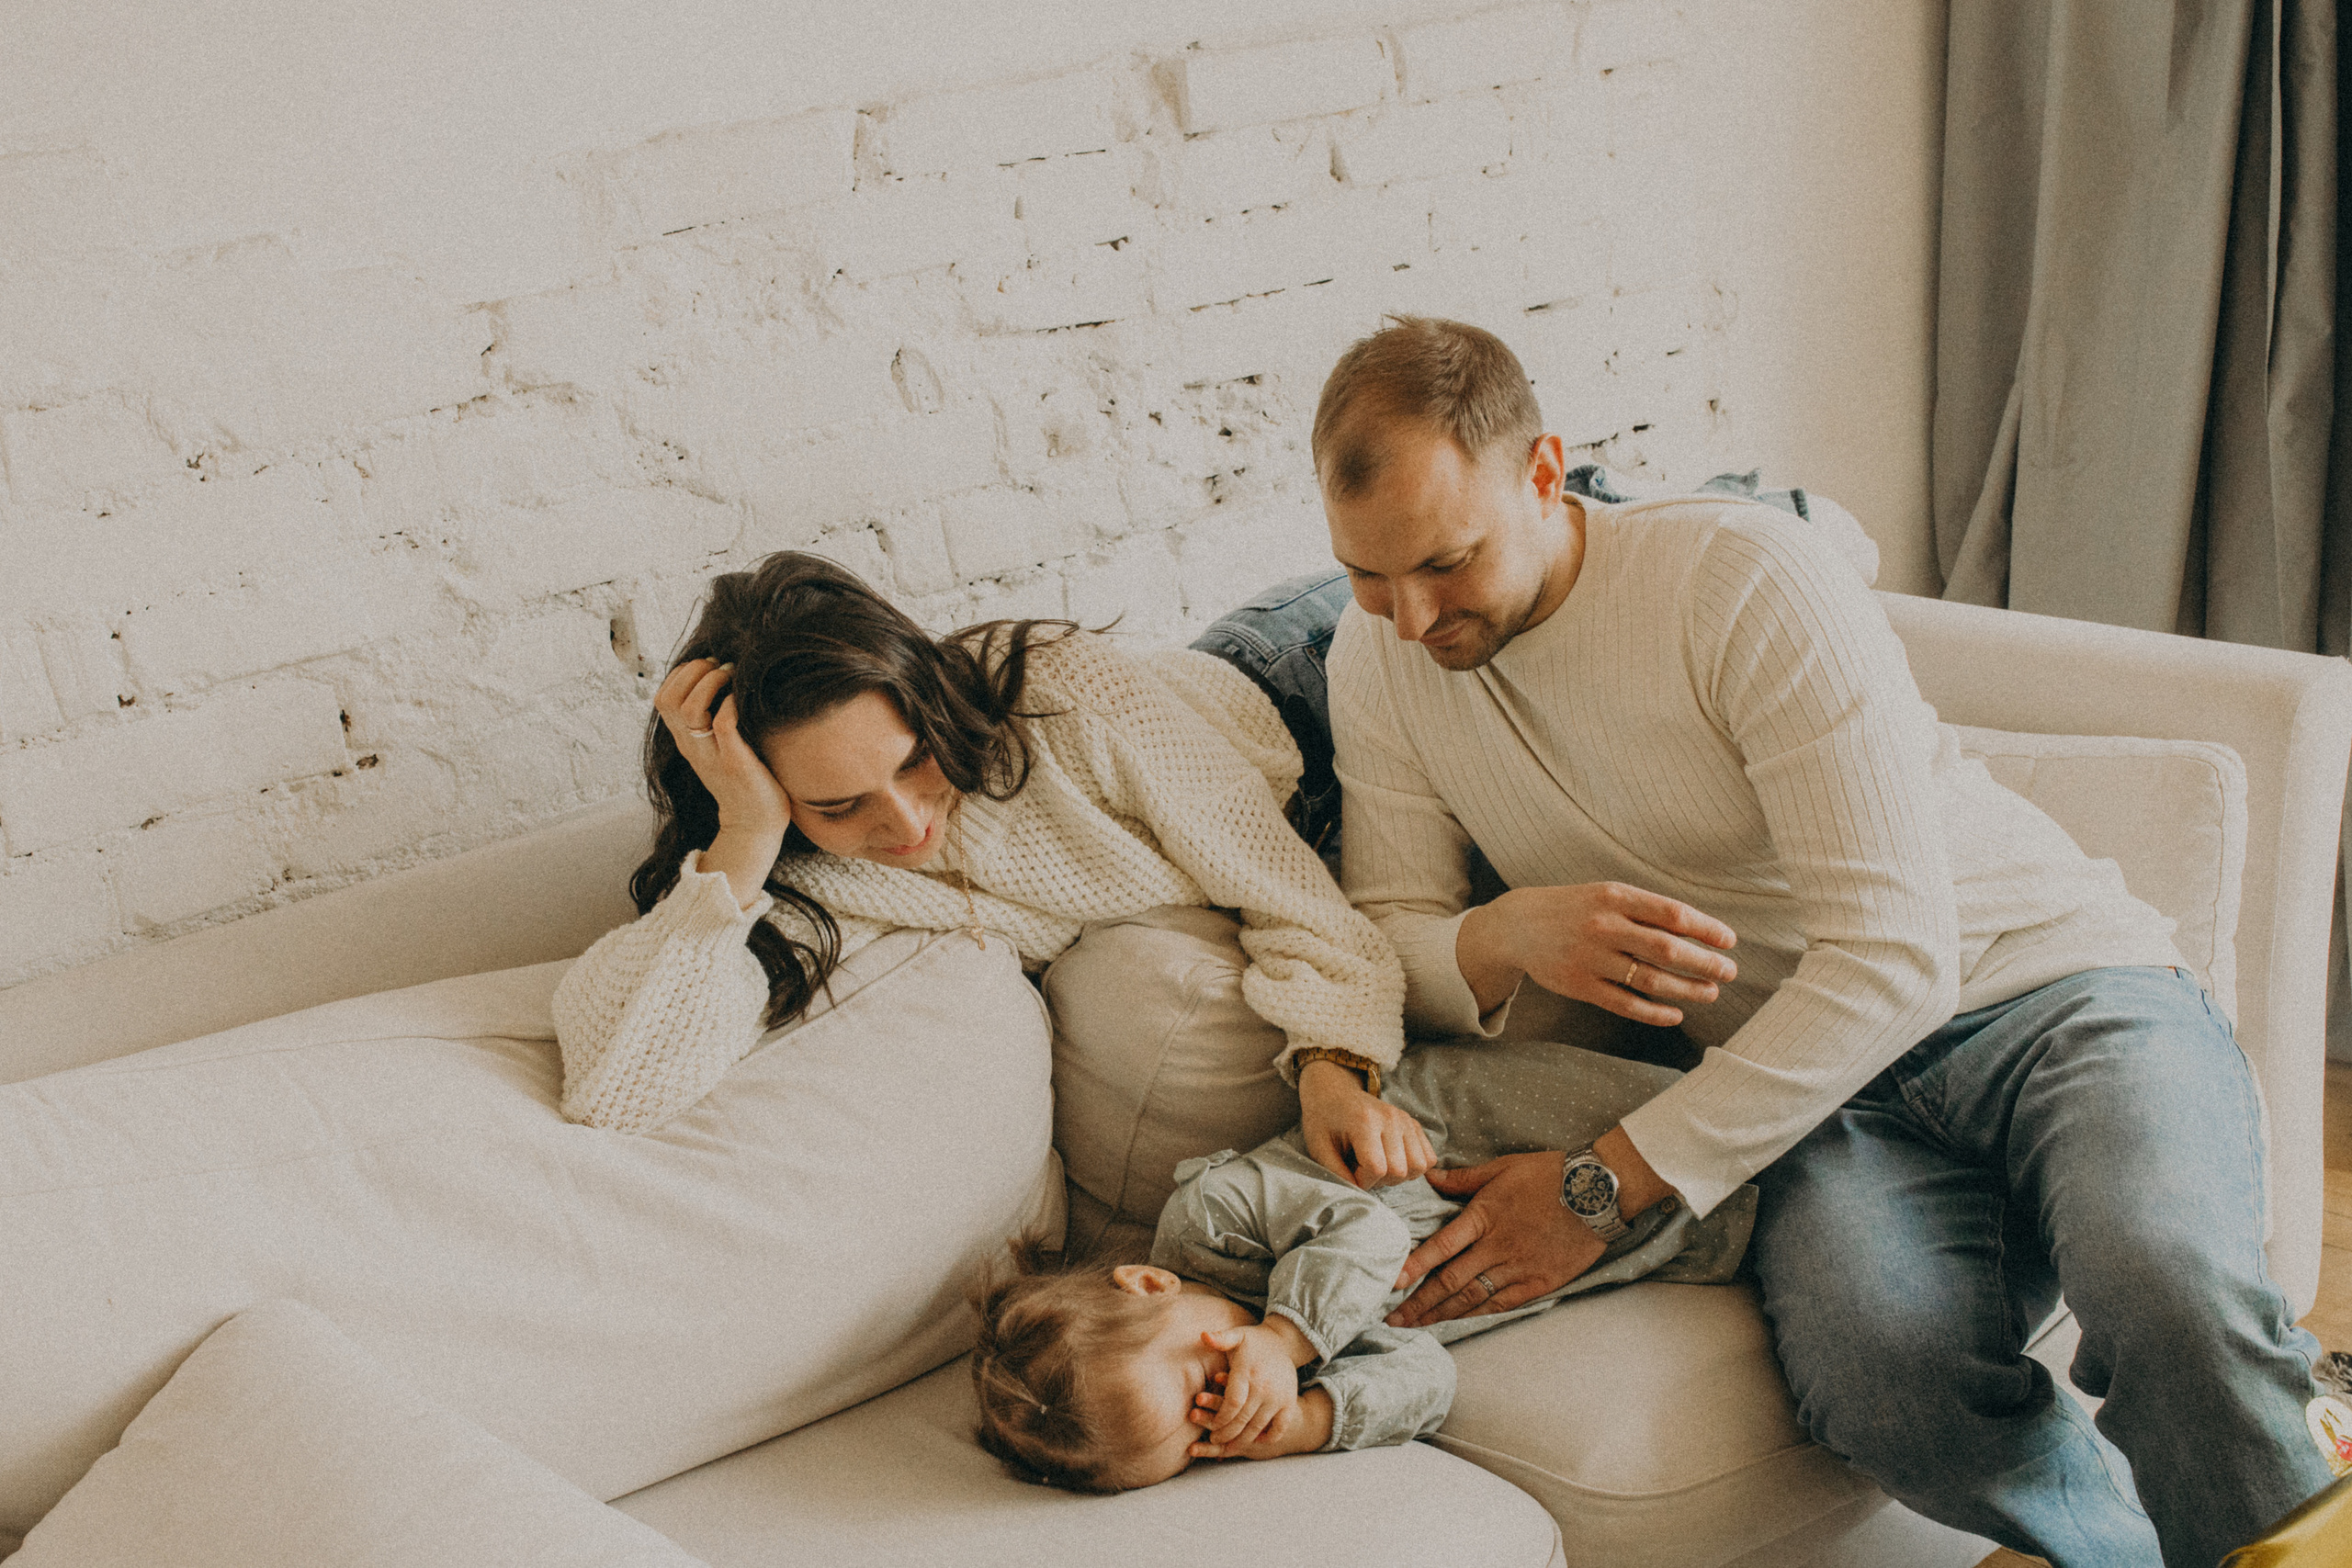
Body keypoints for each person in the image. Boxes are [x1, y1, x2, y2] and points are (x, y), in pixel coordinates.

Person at [1287, 315, 2338, 1567]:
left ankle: (2287, 1466)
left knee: (2165, 1277)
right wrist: (1506, 933)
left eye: (1445, 563)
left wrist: (1597, 1184)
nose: (1409, 616)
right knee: (1878, 1377)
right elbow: (1389, 934)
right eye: (1366, 575)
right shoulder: (1382, 660)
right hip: (1821, 1092)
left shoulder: (1739, 578)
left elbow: (1895, 957)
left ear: (1543, 470)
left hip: (2054, 982)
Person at [550, 551, 1430, 1196]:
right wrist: (745, 833)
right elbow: (617, 1085)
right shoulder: (801, 879)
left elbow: (1283, 890)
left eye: (913, 758)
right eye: (838, 805)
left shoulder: (1055, 687)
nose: (902, 822)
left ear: (930, 701)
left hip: (1298, 687)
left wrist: (1332, 1068)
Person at [969, 1037, 1755, 1493]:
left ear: (1148, 1285)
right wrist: (1309, 1422)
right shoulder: (1304, 1383)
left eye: (1199, 1387)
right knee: (1749, 1211)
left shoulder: (1212, 1219)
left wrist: (1282, 1340)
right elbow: (1427, 1378)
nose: (1229, 1406)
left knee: (1739, 1131)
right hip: (1638, 1233)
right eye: (1199, 1441)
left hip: (1515, 1129)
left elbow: (1368, 1234)